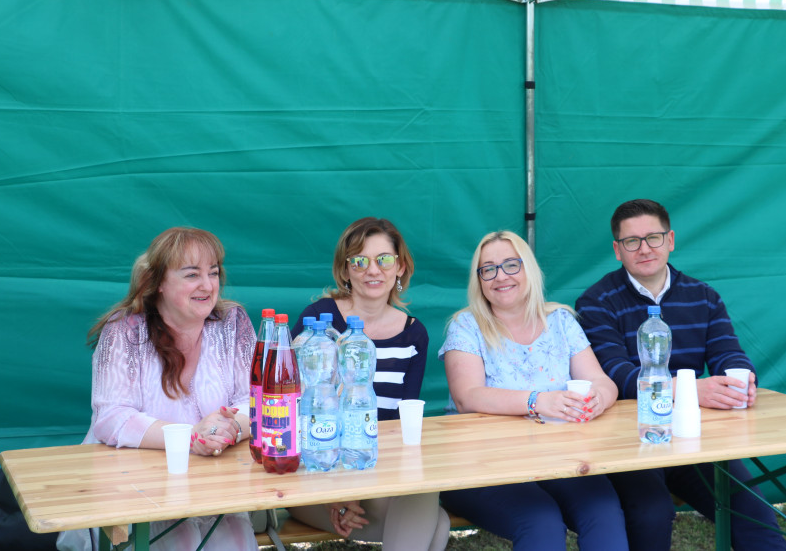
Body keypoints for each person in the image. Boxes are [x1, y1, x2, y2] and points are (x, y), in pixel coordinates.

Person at [575, 199, 786, 551]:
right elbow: (615, 376)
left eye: (653, 238)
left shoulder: (703, 297)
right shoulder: (596, 302)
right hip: (630, 440)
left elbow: (727, 353)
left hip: (692, 435)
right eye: (632, 241)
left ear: (670, 240)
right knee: (651, 514)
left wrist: (741, 381)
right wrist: (689, 389)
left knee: (753, 513)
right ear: (617, 250)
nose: (645, 249)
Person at [59, 227, 257, 551]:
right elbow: (111, 418)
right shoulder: (124, 331)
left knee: (235, 538)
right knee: (179, 540)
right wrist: (191, 436)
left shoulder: (232, 323)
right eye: (192, 274)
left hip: (212, 486)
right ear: (158, 282)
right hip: (131, 489)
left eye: (213, 273)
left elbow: (258, 399)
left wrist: (230, 427)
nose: (207, 285)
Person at [438, 230, 630, 551]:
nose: (501, 276)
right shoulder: (466, 326)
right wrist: (537, 401)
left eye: (511, 265)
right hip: (482, 464)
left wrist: (598, 399)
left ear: (529, 269)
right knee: (541, 521)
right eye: (489, 269)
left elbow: (602, 381)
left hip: (559, 458)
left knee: (603, 511)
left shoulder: (561, 320)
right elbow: (467, 396)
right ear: (479, 280)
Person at [287, 217, 449, 551]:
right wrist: (336, 495)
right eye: (359, 261)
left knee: (432, 512)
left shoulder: (414, 334)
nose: (372, 270)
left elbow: (400, 424)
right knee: (436, 521)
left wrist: (361, 488)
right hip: (315, 475)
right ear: (345, 270)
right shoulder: (318, 322)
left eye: (384, 260)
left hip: (376, 472)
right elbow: (289, 409)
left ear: (400, 267)